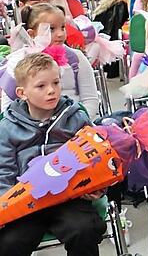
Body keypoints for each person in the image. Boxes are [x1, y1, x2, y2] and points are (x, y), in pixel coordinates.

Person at [0, 53, 106, 254]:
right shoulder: (7, 127)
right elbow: (4, 172)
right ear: (22, 93)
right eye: (41, 86)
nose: (51, 90)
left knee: (84, 229)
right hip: (26, 201)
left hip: (69, 197)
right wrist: (5, 206)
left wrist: (97, 187)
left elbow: (96, 156)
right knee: (9, 242)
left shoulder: (75, 117)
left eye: (56, 83)